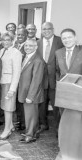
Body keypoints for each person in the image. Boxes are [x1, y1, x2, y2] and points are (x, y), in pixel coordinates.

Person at [55, 28, 82, 160]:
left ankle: (76, 151)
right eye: (64, 38)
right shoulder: (58, 52)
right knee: (64, 122)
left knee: (77, 124)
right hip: (63, 95)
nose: (66, 40)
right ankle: (64, 149)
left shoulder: (81, 51)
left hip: (78, 95)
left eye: (69, 37)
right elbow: (57, 72)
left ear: (75, 37)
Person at [36, 22, 63, 136]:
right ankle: (43, 124)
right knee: (41, 104)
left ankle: (59, 129)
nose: (46, 31)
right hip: (41, 80)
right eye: (43, 29)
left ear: (53, 29)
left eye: (48, 29)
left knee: (56, 106)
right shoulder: (38, 43)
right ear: (41, 31)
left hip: (55, 80)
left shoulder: (60, 41)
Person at [18, 39, 45, 143]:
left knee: (31, 115)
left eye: (30, 46)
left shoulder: (37, 60)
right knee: (30, 115)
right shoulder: (26, 57)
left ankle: (30, 135)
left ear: (36, 47)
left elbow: (36, 80)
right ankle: (31, 132)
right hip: (25, 91)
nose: (27, 47)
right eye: (26, 46)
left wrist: (30, 96)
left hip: (31, 93)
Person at [0, 33, 22, 140]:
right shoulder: (2, 50)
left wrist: (12, 89)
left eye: (8, 40)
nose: (5, 42)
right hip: (2, 82)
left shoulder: (16, 53)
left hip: (9, 83)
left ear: (12, 40)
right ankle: (11, 125)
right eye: (3, 40)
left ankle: (7, 130)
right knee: (5, 106)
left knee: (8, 107)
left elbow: (17, 72)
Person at [14, 28, 28, 131]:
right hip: (15, 78)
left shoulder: (28, 47)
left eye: (21, 35)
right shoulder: (15, 46)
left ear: (26, 35)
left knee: (22, 101)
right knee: (18, 101)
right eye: (18, 35)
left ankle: (24, 123)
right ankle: (19, 120)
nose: (19, 37)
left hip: (23, 79)